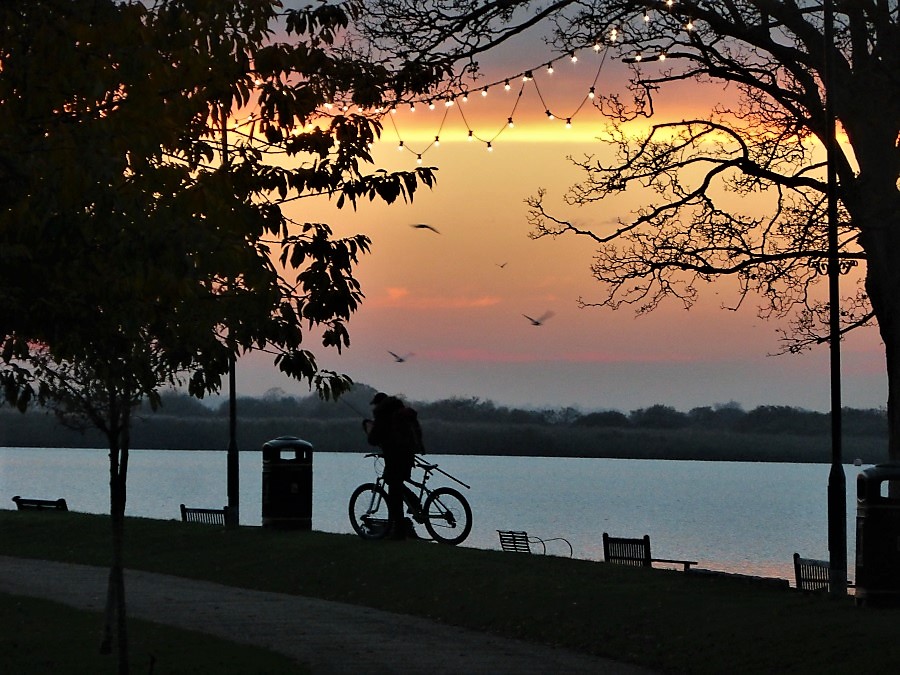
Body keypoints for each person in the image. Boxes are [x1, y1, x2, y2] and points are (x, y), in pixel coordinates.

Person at [363, 392, 423, 540]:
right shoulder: (402, 413)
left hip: (395, 456)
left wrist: (368, 427)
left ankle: (399, 532)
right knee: (395, 484)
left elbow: (373, 439)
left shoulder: (383, 416)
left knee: (394, 492)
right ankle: (414, 503)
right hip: (408, 455)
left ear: (379, 404)